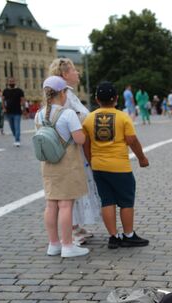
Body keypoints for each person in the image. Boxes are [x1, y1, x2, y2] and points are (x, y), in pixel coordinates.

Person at [82, 82, 150, 249]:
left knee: (107, 201)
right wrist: (142, 158)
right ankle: (128, 235)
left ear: (97, 99)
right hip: (120, 167)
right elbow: (132, 140)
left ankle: (113, 236)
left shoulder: (89, 118)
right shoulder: (122, 117)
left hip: (98, 166)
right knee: (126, 202)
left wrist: (91, 161)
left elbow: (85, 144)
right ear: (116, 99)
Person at [34, 76, 89, 258]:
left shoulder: (39, 114)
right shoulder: (68, 114)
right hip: (67, 164)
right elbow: (80, 139)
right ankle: (67, 246)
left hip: (48, 164)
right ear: (62, 93)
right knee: (66, 205)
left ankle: (54, 244)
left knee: (51, 205)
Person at [49, 57, 101, 246]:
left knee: (79, 186)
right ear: (64, 74)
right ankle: (70, 230)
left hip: (75, 148)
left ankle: (75, 225)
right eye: (74, 70)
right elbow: (68, 121)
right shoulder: (64, 96)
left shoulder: (69, 94)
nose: (78, 73)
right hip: (71, 149)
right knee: (72, 188)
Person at [2, 77, 25, 147]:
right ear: (8, 82)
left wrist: (22, 106)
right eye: (10, 81)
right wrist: (4, 108)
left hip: (17, 111)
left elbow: (23, 100)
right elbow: (2, 100)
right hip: (9, 112)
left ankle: (17, 140)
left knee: (17, 126)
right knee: (12, 127)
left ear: (15, 82)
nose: (11, 82)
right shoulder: (5, 91)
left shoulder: (19, 90)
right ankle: (16, 136)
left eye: (12, 81)